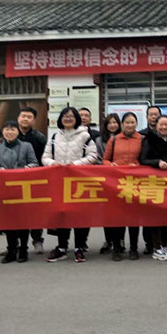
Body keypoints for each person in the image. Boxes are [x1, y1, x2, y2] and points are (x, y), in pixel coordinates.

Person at [43, 107, 99, 263]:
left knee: (80, 214)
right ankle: (61, 247)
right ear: (60, 119)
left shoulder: (85, 136)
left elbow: (93, 155)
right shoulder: (54, 136)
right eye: (65, 116)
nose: (68, 119)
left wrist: (75, 165)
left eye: (71, 116)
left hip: (79, 181)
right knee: (62, 213)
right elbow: (45, 156)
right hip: (59, 182)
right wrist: (53, 164)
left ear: (76, 119)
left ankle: (79, 247)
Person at [0, 120, 39, 263]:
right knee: (8, 221)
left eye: (13, 129)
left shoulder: (26, 146)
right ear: (2, 132)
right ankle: (11, 249)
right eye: (6, 129)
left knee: (23, 220)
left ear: (18, 131)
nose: (9, 132)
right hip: (4, 188)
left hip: (22, 187)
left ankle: (23, 249)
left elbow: (34, 163)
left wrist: (26, 168)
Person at [102, 112, 143, 261]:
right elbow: (105, 160)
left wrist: (137, 165)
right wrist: (110, 165)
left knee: (133, 217)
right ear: (122, 125)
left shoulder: (141, 139)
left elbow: (144, 159)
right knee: (117, 217)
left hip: (135, 183)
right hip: (117, 183)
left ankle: (133, 248)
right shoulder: (114, 139)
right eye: (127, 123)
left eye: (132, 122)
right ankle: (117, 248)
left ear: (136, 124)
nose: (130, 125)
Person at [139, 115, 167, 261]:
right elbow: (143, 159)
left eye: (166, 125)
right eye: (161, 125)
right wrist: (158, 162)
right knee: (156, 215)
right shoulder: (150, 139)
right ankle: (157, 247)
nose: (164, 127)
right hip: (154, 181)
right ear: (156, 126)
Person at [16, 106, 47, 254]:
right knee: (16, 213)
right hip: (14, 181)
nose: (25, 119)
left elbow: (44, 158)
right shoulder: (10, 134)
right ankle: (15, 244)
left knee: (35, 212)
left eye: (29, 117)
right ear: (18, 118)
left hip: (35, 180)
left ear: (34, 120)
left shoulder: (39, 137)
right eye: (23, 116)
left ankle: (37, 240)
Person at [95, 113, 121, 255]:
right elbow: (97, 158)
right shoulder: (99, 140)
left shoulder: (123, 139)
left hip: (121, 180)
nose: (112, 125)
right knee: (107, 212)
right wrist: (108, 166)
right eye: (109, 123)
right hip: (105, 179)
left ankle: (120, 240)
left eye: (115, 122)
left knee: (121, 211)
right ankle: (108, 240)